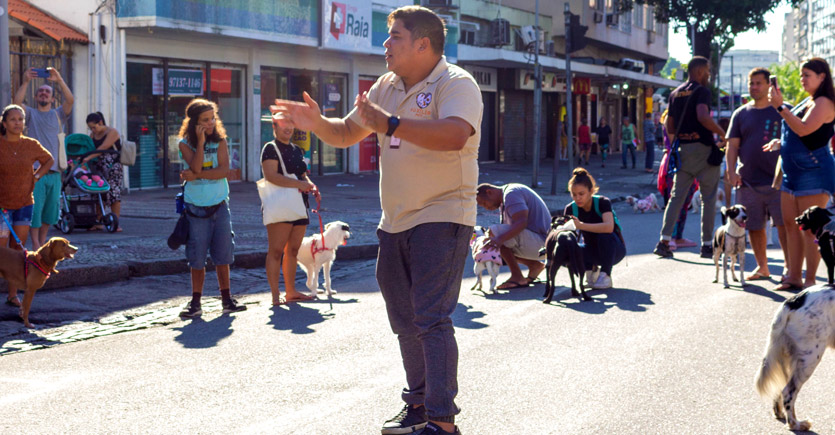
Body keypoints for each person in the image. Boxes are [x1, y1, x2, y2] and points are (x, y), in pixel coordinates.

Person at [272, 6, 479, 434]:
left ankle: (442, 420)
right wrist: (317, 123)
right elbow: (347, 132)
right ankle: (418, 406)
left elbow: (455, 134)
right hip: (395, 220)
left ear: (423, 44)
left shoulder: (456, 83)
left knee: (431, 318)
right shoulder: (385, 86)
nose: (385, 44)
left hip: (443, 214)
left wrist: (393, 123)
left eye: (395, 36)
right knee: (405, 321)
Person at [765, 57, 835, 290]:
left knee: (810, 230)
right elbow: (796, 130)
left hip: (813, 172)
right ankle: (794, 276)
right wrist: (781, 142)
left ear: (822, 77)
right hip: (792, 173)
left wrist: (780, 106)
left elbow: (804, 129)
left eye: (807, 75)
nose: (802, 79)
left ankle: (810, 280)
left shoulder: (824, 102)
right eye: (802, 75)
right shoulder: (809, 100)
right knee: (790, 226)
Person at [176, 98, 246, 318]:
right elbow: (195, 164)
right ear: (194, 122)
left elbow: (224, 171)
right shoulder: (184, 144)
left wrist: (196, 175)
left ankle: (227, 299)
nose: (210, 123)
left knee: (223, 253)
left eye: (213, 118)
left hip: (219, 205)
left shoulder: (221, 141)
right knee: (197, 256)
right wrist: (200, 141)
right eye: (205, 120)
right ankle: (195, 302)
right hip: (195, 208)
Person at [654, 56, 726, 259]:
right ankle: (706, 245)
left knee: (676, 197)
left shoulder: (675, 93)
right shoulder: (702, 91)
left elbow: (669, 126)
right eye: (708, 71)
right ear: (701, 71)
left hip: (683, 150)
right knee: (708, 198)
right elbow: (703, 116)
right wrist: (722, 133)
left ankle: (664, 241)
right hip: (703, 150)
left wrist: (678, 144)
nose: (709, 75)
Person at [726, 67, 789, 284]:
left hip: (780, 181)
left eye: (758, 83)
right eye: (751, 83)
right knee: (753, 226)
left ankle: (789, 269)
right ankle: (763, 268)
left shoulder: (784, 110)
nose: (754, 87)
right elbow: (732, 146)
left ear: (770, 85)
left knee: (784, 226)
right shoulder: (741, 113)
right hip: (748, 181)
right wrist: (731, 170)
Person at [12, 67, 73, 250]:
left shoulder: (59, 114)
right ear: (37, 97)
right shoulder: (30, 114)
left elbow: (70, 100)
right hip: (36, 171)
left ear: (52, 98)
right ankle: (37, 243)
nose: (44, 94)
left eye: (47, 92)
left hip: (55, 172)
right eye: (41, 92)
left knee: (50, 212)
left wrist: (60, 79)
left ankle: (43, 240)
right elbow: (16, 103)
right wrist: (25, 82)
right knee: (35, 210)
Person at [0, 105, 53, 308]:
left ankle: (12, 295)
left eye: (21, 119)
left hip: (24, 203)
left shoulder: (31, 144)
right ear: (4, 123)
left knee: (16, 251)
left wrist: (36, 176)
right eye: (13, 119)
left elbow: (49, 160)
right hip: (2, 205)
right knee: (1, 251)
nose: (17, 123)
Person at [261, 120, 318, 305]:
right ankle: (275, 295)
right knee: (276, 251)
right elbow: (271, 176)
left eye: (291, 124)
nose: (288, 128)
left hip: (299, 204)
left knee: (293, 250)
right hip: (280, 203)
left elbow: (302, 175)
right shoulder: (270, 148)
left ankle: (291, 291)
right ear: (274, 127)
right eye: (283, 124)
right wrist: (299, 184)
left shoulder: (296, 149)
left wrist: (311, 186)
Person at [475, 183, 550, 290]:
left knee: (495, 232)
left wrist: (498, 239)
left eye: (484, 203)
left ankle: (517, 277)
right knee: (493, 240)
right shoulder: (504, 200)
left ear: (489, 192)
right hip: (540, 244)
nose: (486, 208)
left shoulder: (511, 194)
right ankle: (534, 265)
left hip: (544, 244)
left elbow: (521, 222)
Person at [563, 168, 626, 289]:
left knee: (604, 236)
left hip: (614, 250)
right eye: (574, 194)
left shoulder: (603, 202)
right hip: (591, 251)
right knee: (568, 247)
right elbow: (567, 235)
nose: (577, 198)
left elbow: (608, 227)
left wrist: (581, 225)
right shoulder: (570, 209)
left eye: (581, 194)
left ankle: (605, 275)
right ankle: (589, 272)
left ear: (591, 191)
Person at [657, 109, 698, 251]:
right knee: (674, 200)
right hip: (675, 162)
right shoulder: (671, 117)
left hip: (688, 161)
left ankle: (678, 236)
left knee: (686, 202)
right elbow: (675, 142)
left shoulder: (686, 117)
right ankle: (671, 237)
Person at [83, 112, 124, 232]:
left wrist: (88, 157)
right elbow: (89, 148)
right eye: (90, 128)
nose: (93, 130)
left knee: (113, 193)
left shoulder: (112, 132)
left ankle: (115, 223)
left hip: (113, 166)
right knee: (97, 192)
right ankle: (99, 221)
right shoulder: (92, 135)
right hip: (98, 167)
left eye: (94, 127)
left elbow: (104, 147)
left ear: (100, 123)